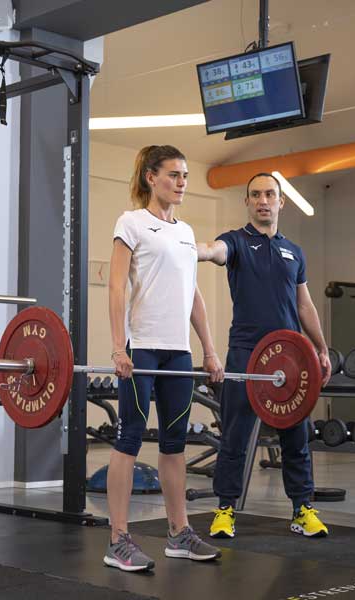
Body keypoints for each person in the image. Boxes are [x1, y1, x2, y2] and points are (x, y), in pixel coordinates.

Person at [105, 145, 223, 572]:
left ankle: (179, 533)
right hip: (142, 348)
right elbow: (116, 286)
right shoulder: (131, 223)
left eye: (185, 175)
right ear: (151, 177)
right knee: (129, 440)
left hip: (178, 353)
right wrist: (118, 346)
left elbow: (194, 297)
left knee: (175, 444)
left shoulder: (186, 232)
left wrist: (209, 350)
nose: (182, 182)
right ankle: (118, 540)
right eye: (174, 174)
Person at [198, 173, 332, 540]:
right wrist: (188, 248)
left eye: (269, 194)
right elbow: (213, 250)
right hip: (246, 353)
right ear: (247, 201)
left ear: (280, 202)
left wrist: (320, 348)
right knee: (235, 436)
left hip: (290, 357)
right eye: (255, 194)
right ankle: (225, 509)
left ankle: (302, 509)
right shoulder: (236, 242)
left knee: (296, 437)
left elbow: (304, 304)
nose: (263, 200)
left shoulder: (295, 252)